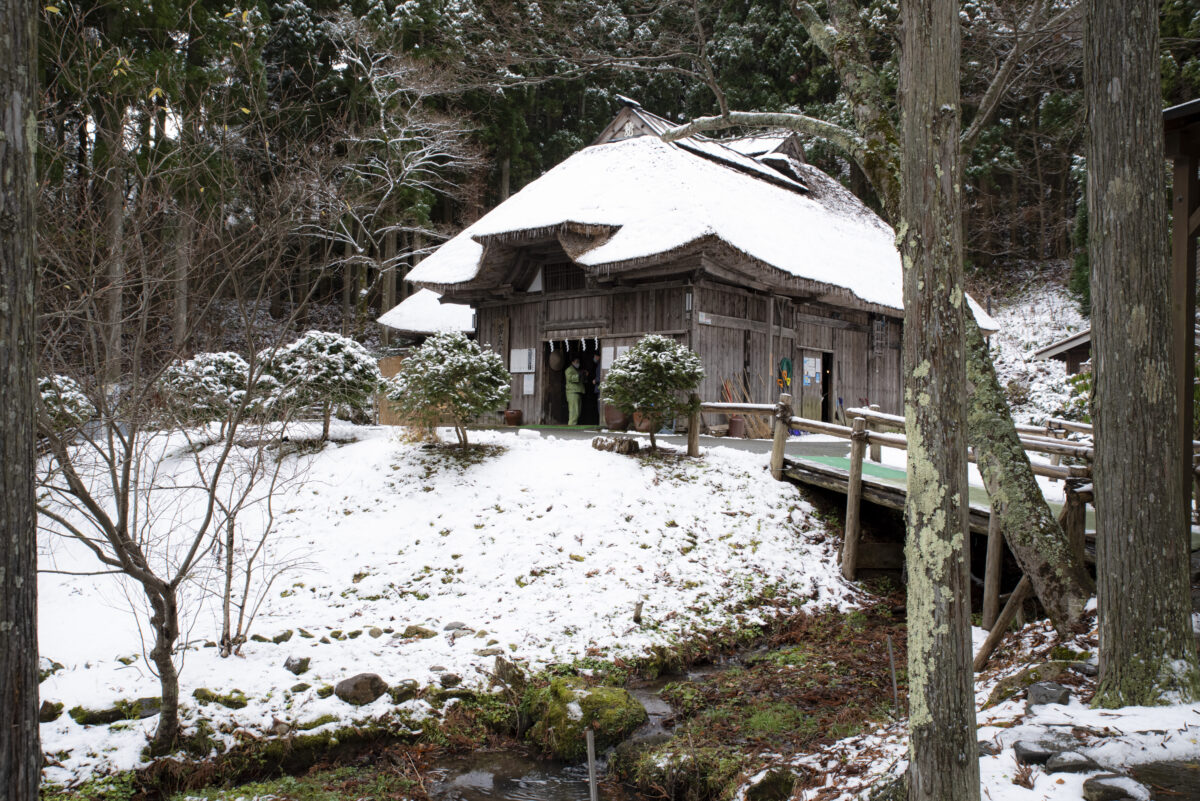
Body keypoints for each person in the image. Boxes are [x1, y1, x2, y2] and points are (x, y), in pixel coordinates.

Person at [565, 356, 585, 425]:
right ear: (572, 362)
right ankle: (571, 426)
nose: (578, 363)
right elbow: (570, 378)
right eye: (576, 362)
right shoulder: (569, 370)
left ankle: (573, 425)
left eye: (578, 362)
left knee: (577, 412)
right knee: (574, 411)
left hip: (577, 391)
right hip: (572, 392)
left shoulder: (577, 370)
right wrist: (579, 375)